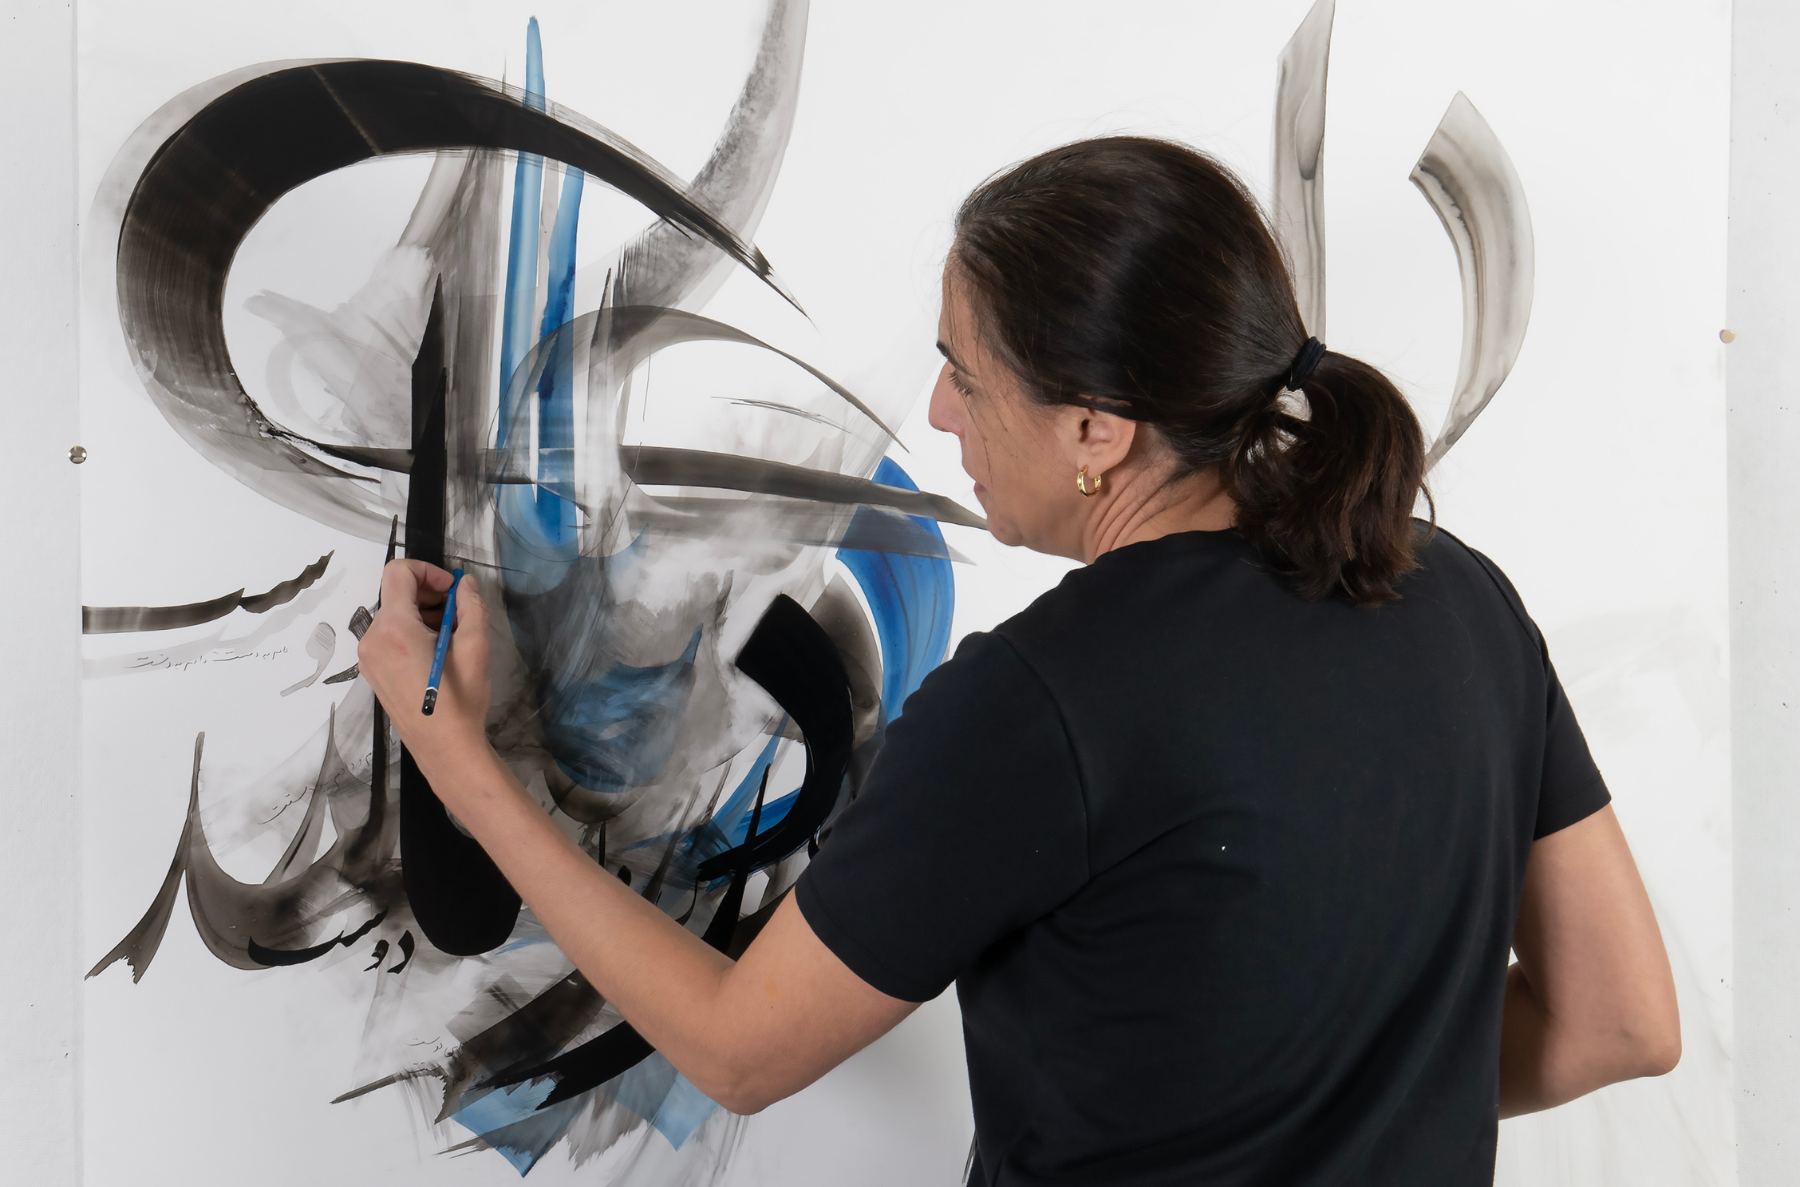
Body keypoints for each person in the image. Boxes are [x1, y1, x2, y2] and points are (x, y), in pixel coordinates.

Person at [358, 136, 1680, 1185]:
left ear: (1097, 429)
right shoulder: (1464, 604)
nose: (938, 413)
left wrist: (468, 772)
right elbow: (1619, 1020)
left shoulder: (1041, 704)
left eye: (965, 373)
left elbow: (739, 1051)